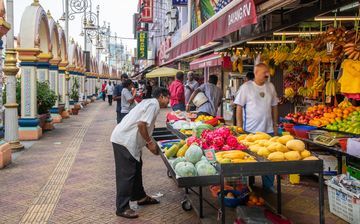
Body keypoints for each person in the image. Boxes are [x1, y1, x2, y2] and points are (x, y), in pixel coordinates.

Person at [110, 87, 170, 219]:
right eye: (167, 98)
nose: (168, 101)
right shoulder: (153, 104)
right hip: (124, 141)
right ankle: (122, 207)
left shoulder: (149, 103)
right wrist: (149, 143)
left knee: (136, 168)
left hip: (127, 140)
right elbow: (141, 125)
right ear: (161, 96)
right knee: (127, 175)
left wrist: (149, 143)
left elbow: (147, 127)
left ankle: (140, 197)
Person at [234, 63, 279, 192]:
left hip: (268, 130)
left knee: (269, 158)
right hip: (250, 130)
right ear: (256, 72)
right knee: (249, 159)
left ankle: (268, 185)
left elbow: (275, 105)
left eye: (267, 72)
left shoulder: (270, 87)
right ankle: (249, 184)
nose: (267, 74)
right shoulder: (246, 87)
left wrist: (275, 124)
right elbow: (239, 107)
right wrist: (239, 126)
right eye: (264, 72)